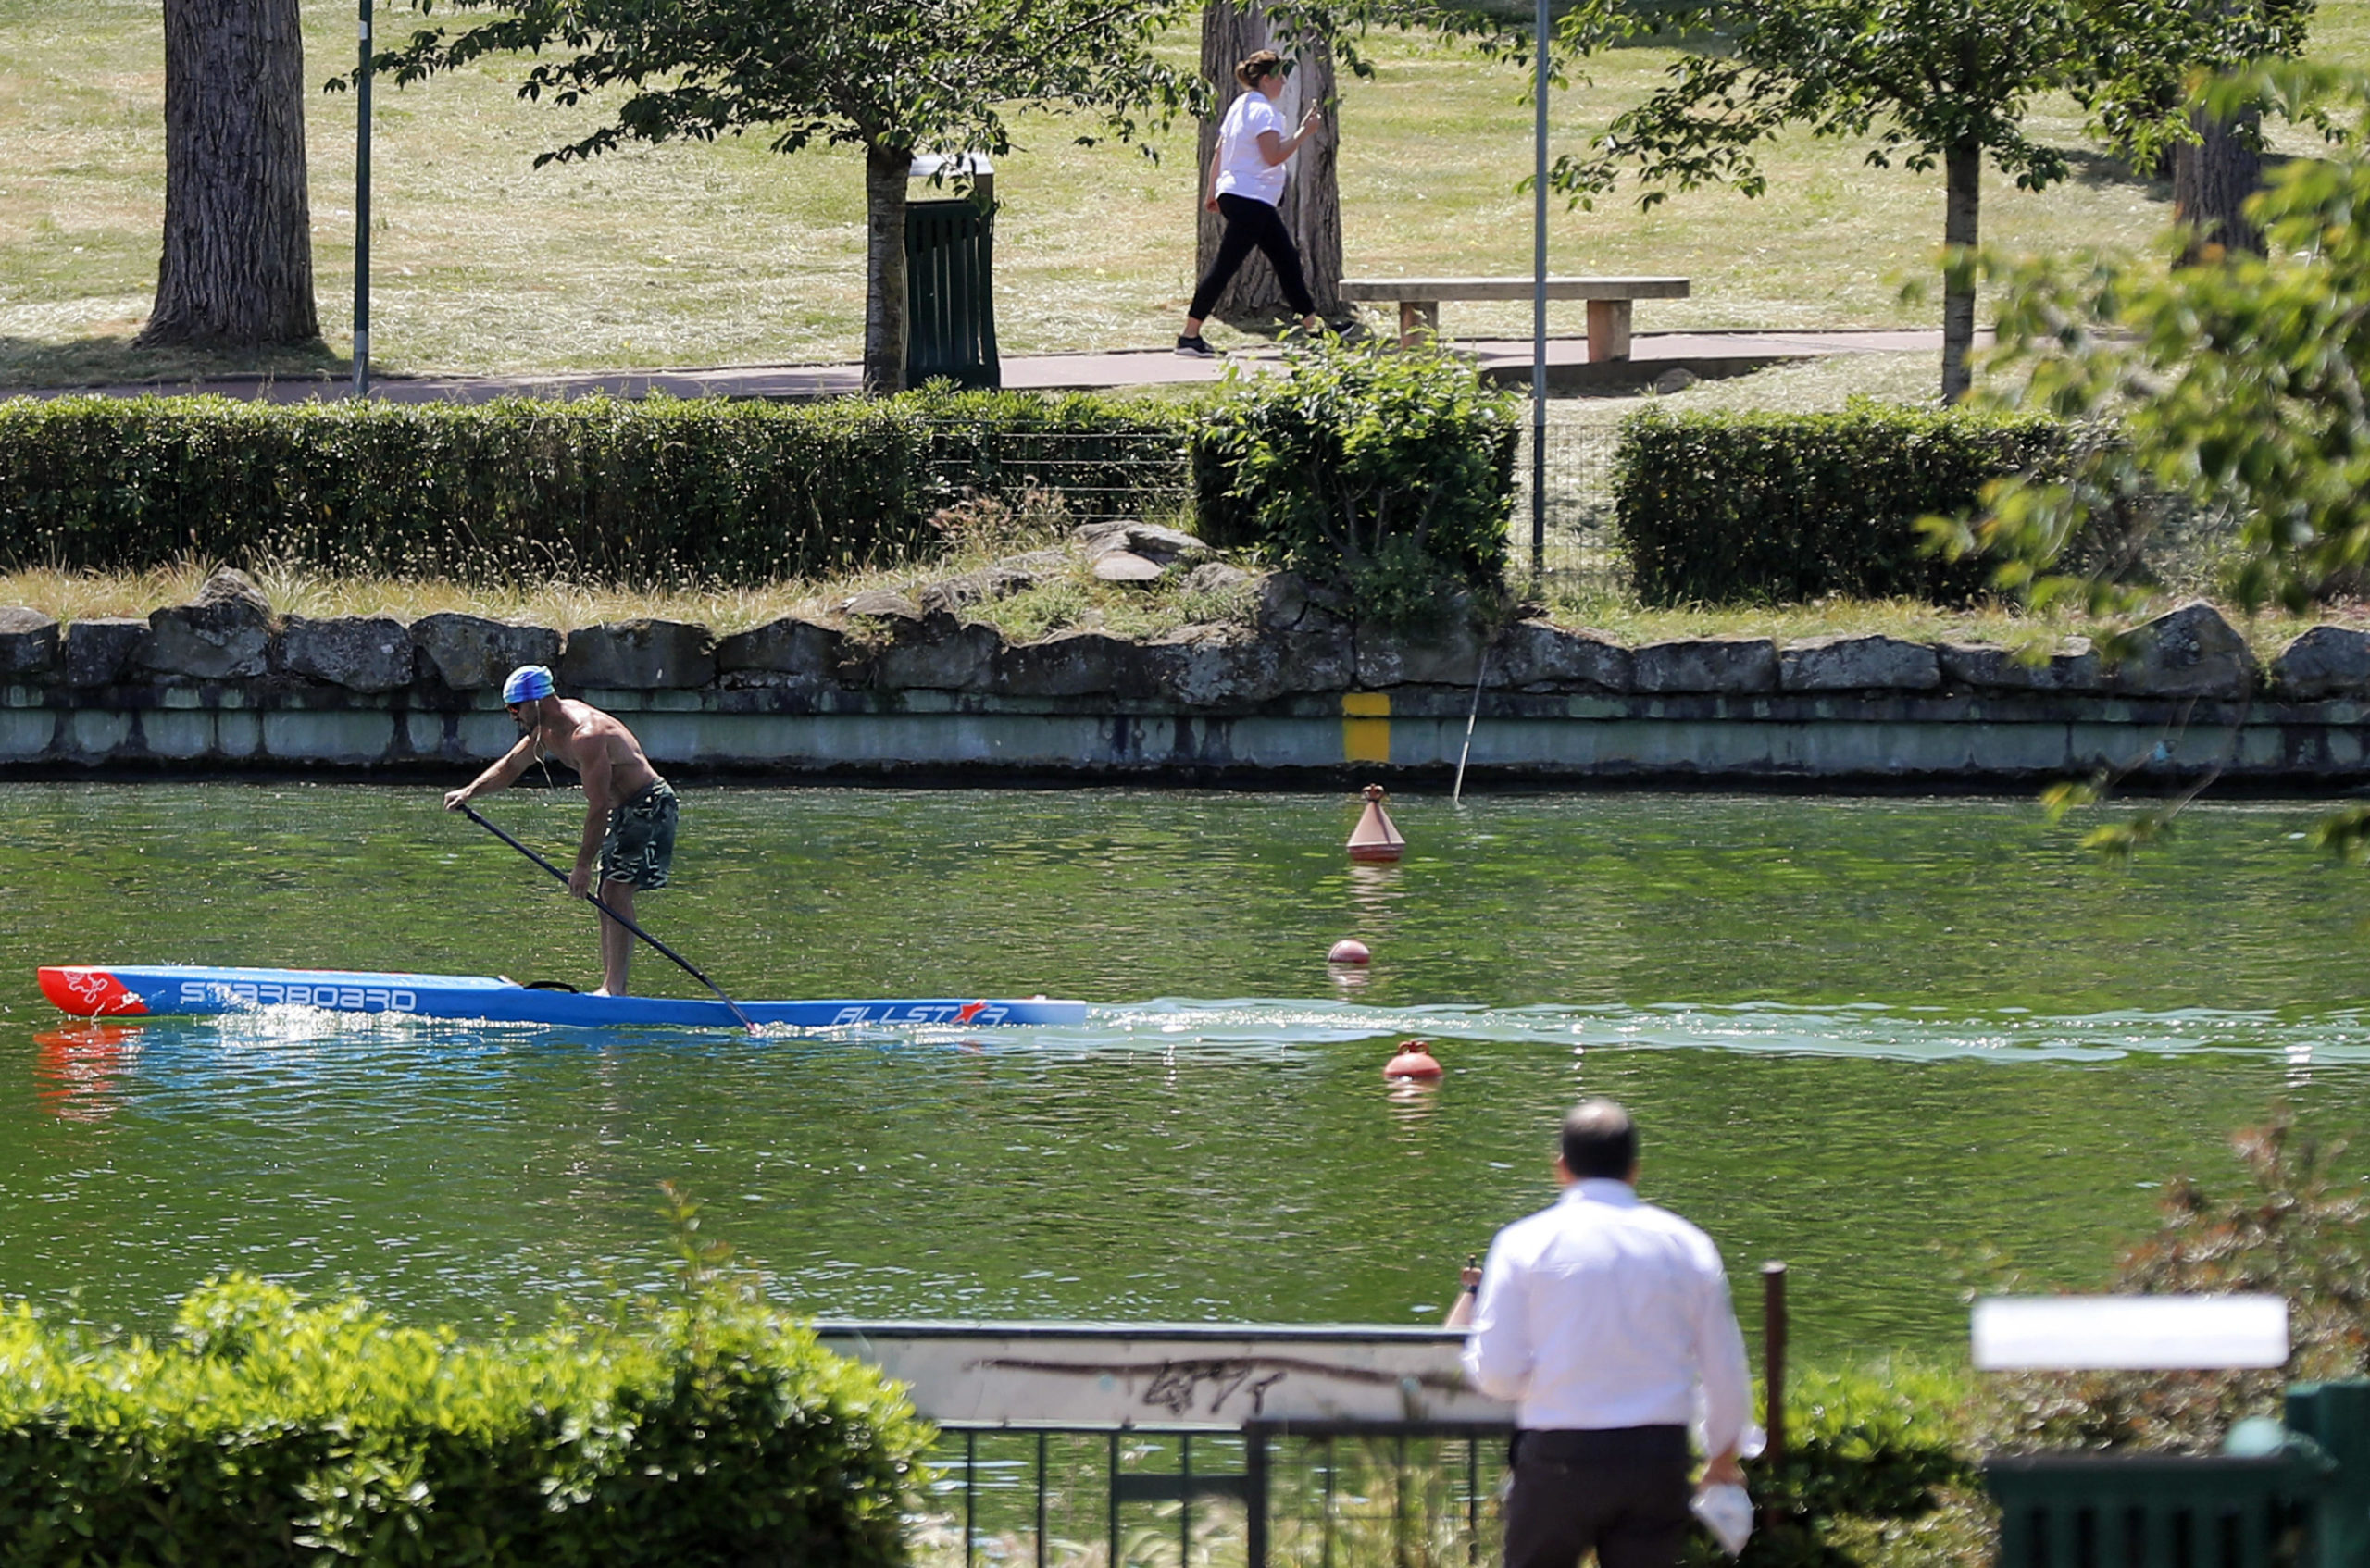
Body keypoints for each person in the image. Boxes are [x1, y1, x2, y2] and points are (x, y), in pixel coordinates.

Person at [1459, 1099, 1751, 1568]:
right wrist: (1721, 1455)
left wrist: (1541, 1383)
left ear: (1561, 1167)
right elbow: (1725, 1366)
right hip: (1657, 1456)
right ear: (1635, 1170)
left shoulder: (1523, 1243)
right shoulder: (1687, 1244)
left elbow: (1495, 1373)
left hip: (1558, 1454)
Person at [442, 665, 677, 998]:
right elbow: (511, 766)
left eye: (514, 708)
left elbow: (597, 806)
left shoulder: (588, 735)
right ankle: (611, 987)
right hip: (623, 809)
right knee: (607, 896)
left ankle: (615, 990)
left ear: (536, 702)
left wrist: (582, 864)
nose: (513, 717)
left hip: (650, 804)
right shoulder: (545, 731)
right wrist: (469, 792)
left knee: (615, 891)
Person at [1176, 49, 1325, 358]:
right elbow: (1273, 156)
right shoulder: (1264, 112)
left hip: (1239, 195)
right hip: (1250, 197)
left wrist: (1212, 191)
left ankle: (1316, 328)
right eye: (1280, 76)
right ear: (1266, 79)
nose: (1284, 82)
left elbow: (1220, 149)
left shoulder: (1239, 106)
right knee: (1225, 266)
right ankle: (1189, 336)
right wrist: (1303, 133)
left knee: (1286, 259)